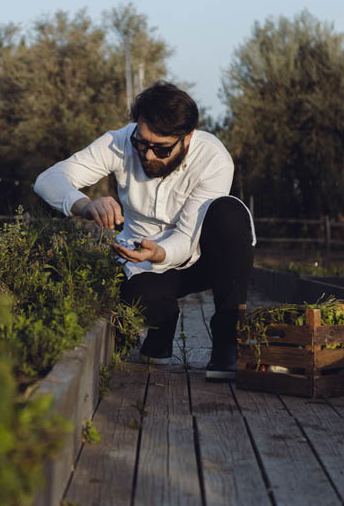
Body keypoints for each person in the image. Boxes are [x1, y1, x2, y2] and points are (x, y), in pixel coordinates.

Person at [33, 81, 255, 381]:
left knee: (230, 212)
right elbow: (48, 179)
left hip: (202, 255)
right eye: (142, 143)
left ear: (186, 138)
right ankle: (162, 325)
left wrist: (162, 250)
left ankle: (228, 343)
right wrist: (84, 205)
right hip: (142, 261)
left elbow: (187, 238)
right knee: (142, 302)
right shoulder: (121, 141)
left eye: (161, 149)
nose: (148, 155)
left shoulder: (213, 158)